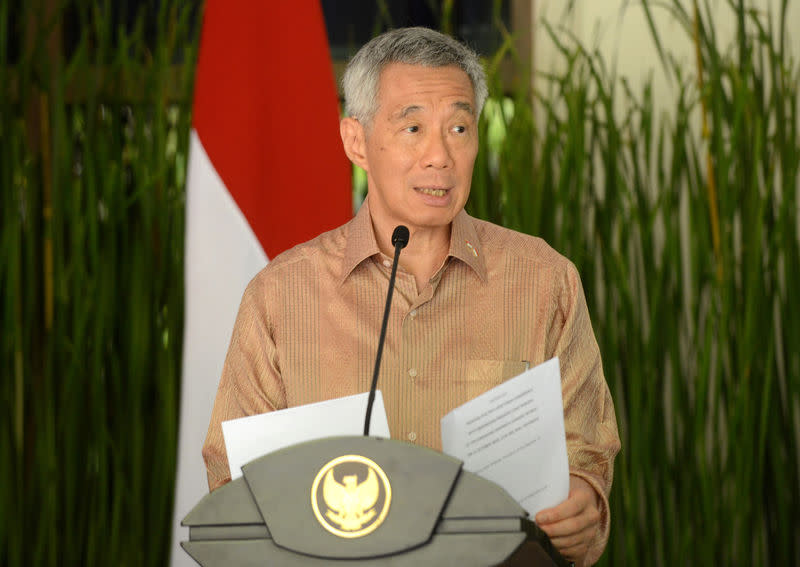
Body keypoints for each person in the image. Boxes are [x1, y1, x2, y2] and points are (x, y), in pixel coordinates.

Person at [202, 27, 620, 566]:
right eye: (413, 127)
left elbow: (586, 454)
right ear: (357, 141)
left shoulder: (544, 281)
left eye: (459, 127)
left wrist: (583, 505)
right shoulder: (280, 297)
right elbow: (230, 485)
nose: (439, 156)